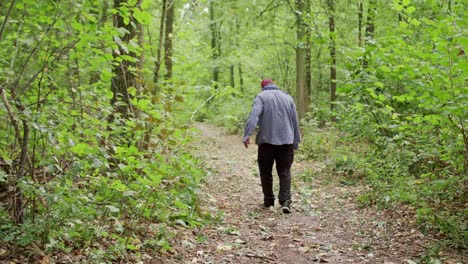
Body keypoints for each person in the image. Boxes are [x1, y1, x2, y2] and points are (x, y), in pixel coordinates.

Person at [243, 79, 300, 214]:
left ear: (262, 87)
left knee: (265, 172)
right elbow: (295, 121)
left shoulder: (261, 97)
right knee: (284, 171)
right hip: (286, 141)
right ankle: (285, 201)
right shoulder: (288, 97)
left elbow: (254, 117)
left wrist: (247, 135)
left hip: (266, 142)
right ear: (274, 85)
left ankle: (268, 201)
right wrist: (296, 141)